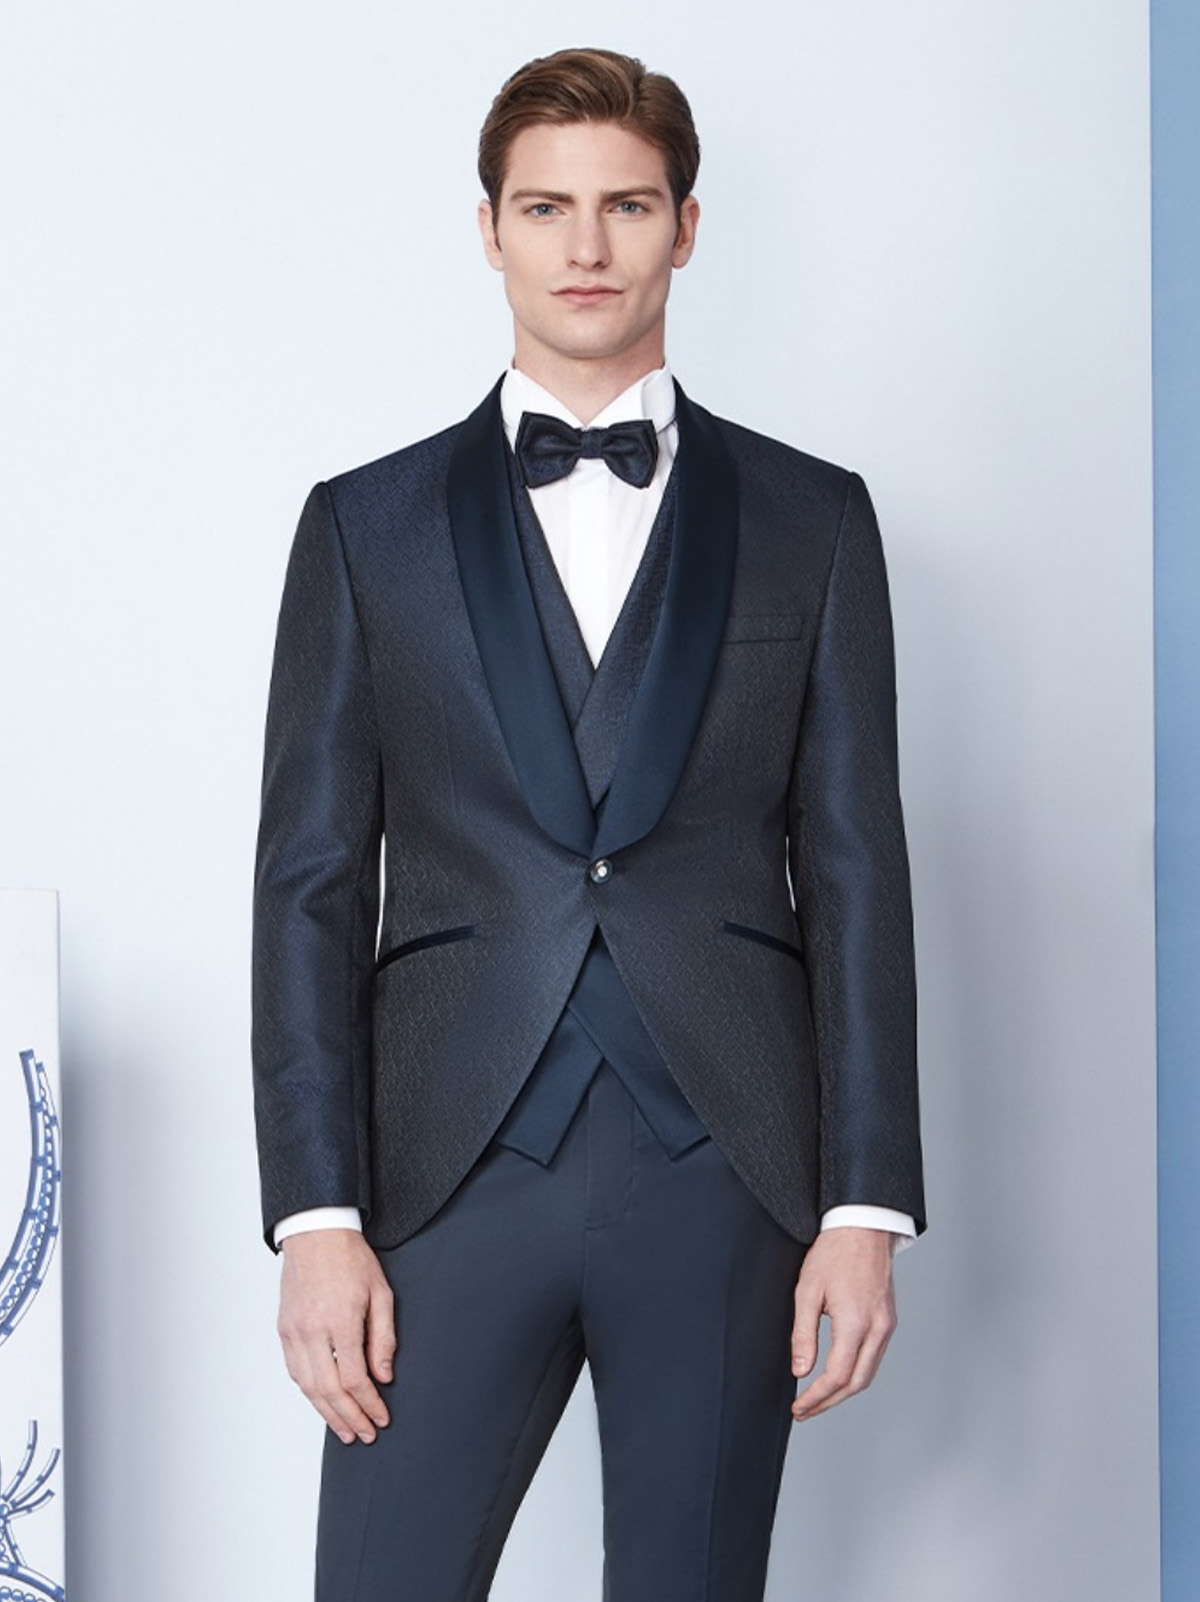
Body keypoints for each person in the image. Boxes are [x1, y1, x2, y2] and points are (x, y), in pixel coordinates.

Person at [252, 46, 925, 1602]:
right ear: (488, 230)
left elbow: (856, 871)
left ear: (685, 226)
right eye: (547, 207)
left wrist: (865, 1202)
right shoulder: (363, 526)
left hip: (724, 1167)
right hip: (439, 1175)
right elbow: (308, 884)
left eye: (626, 205)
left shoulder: (815, 519)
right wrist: (314, 1214)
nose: (587, 245)